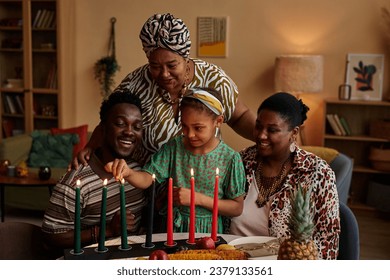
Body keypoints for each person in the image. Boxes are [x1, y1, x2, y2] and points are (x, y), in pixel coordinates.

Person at [74, 13, 256, 167]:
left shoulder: (212, 78)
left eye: (171, 65)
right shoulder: (135, 83)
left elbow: (240, 116)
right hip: (150, 183)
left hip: (203, 179)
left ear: (185, 58)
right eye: (155, 66)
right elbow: (110, 120)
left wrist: (266, 139)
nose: (164, 74)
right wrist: (90, 146)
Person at [105, 87, 246, 234]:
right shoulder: (175, 148)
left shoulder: (229, 158)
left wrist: (196, 198)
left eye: (198, 128)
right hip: (173, 230)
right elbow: (147, 178)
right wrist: (128, 173)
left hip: (208, 233)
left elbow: (236, 207)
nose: (190, 134)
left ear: (218, 121)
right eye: (184, 126)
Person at [229, 92, 340, 260]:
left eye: (272, 130)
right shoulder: (241, 161)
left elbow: (328, 242)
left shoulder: (317, 173)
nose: (261, 135)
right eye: (258, 126)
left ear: (294, 133)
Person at [42, 91, 147, 254]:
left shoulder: (138, 172)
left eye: (137, 127)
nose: (129, 131)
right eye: (120, 123)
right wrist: (107, 230)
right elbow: (50, 237)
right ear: (103, 129)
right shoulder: (75, 183)